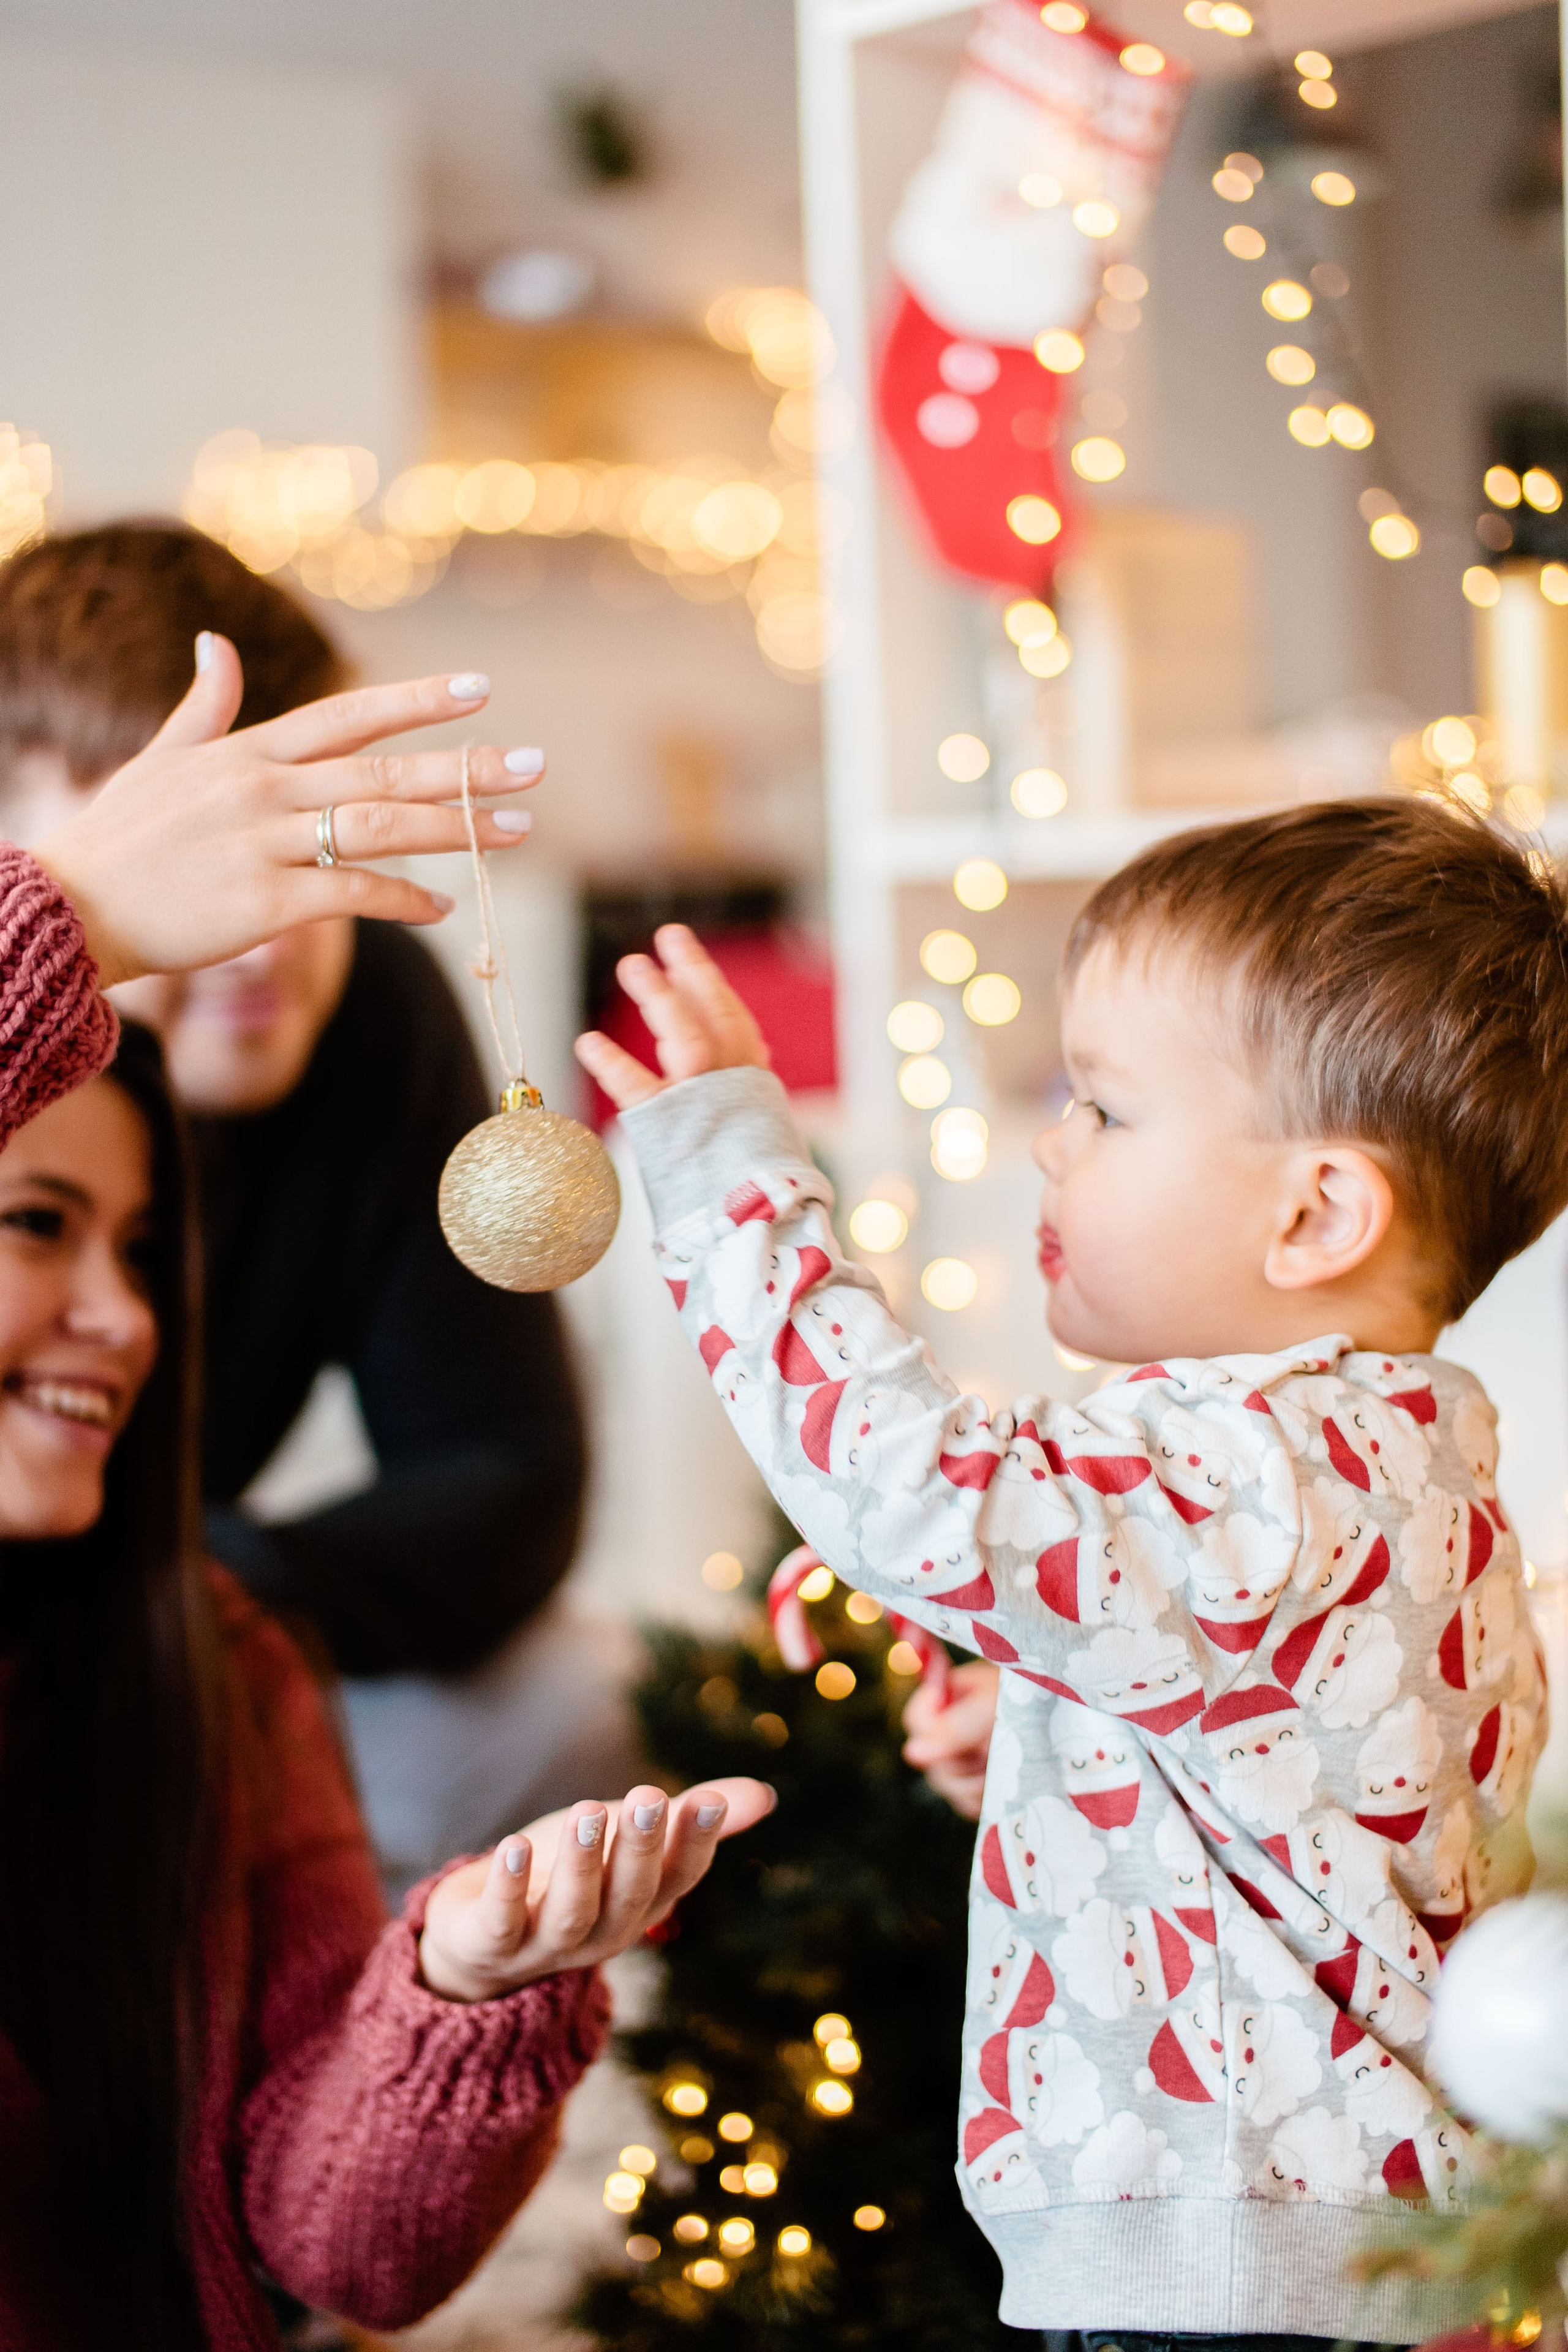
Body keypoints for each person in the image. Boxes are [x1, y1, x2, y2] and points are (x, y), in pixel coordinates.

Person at [575, 798, 1567, 2351]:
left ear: (1313, 1213)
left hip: (1228, 2281)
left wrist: (732, 1170)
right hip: (1358, 2257)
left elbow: (909, 1491)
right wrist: (1077, 1736)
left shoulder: (1252, 1469)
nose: (1051, 1140)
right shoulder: (1407, 1462)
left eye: (1100, 1107)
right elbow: (1306, 1788)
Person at [0, 644, 771, 2350]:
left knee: (566, 1692)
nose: (127, 1317)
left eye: (149, 1254)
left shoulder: (213, 1665)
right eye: (36, 1226)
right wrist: (67, 926)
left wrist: (450, 1998)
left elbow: (341, 2250)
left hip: (209, 1640)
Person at [0, 524, 586, 1691]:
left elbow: (506, 1479)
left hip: (163, 1641)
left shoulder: (370, 1010)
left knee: (564, 1696)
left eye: (295, 852)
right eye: (185, 868)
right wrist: (65, 932)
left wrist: (169, 1599)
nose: (260, 941)